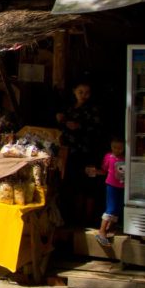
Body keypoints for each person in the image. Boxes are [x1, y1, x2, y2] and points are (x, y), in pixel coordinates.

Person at [56, 80, 103, 224]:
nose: (84, 95)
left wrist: (78, 125)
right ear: (74, 91)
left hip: (86, 151)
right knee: (72, 183)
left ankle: (87, 218)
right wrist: (62, 121)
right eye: (80, 92)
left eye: (87, 93)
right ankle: (73, 216)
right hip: (70, 152)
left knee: (87, 184)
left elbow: (95, 127)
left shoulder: (93, 109)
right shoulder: (69, 108)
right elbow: (62, 125)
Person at [87, 137, 126, 247]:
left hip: (122, 186)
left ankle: (110, 227)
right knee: (111, 208)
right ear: (111, 146)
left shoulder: (125, 158)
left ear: (123, 148)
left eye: (120, 148)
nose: (117, 150)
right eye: (114, 147)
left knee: (118, 207)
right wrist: (95, 172)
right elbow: (104, 170)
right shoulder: (109, 157)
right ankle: (102, 231)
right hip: (111, 186)